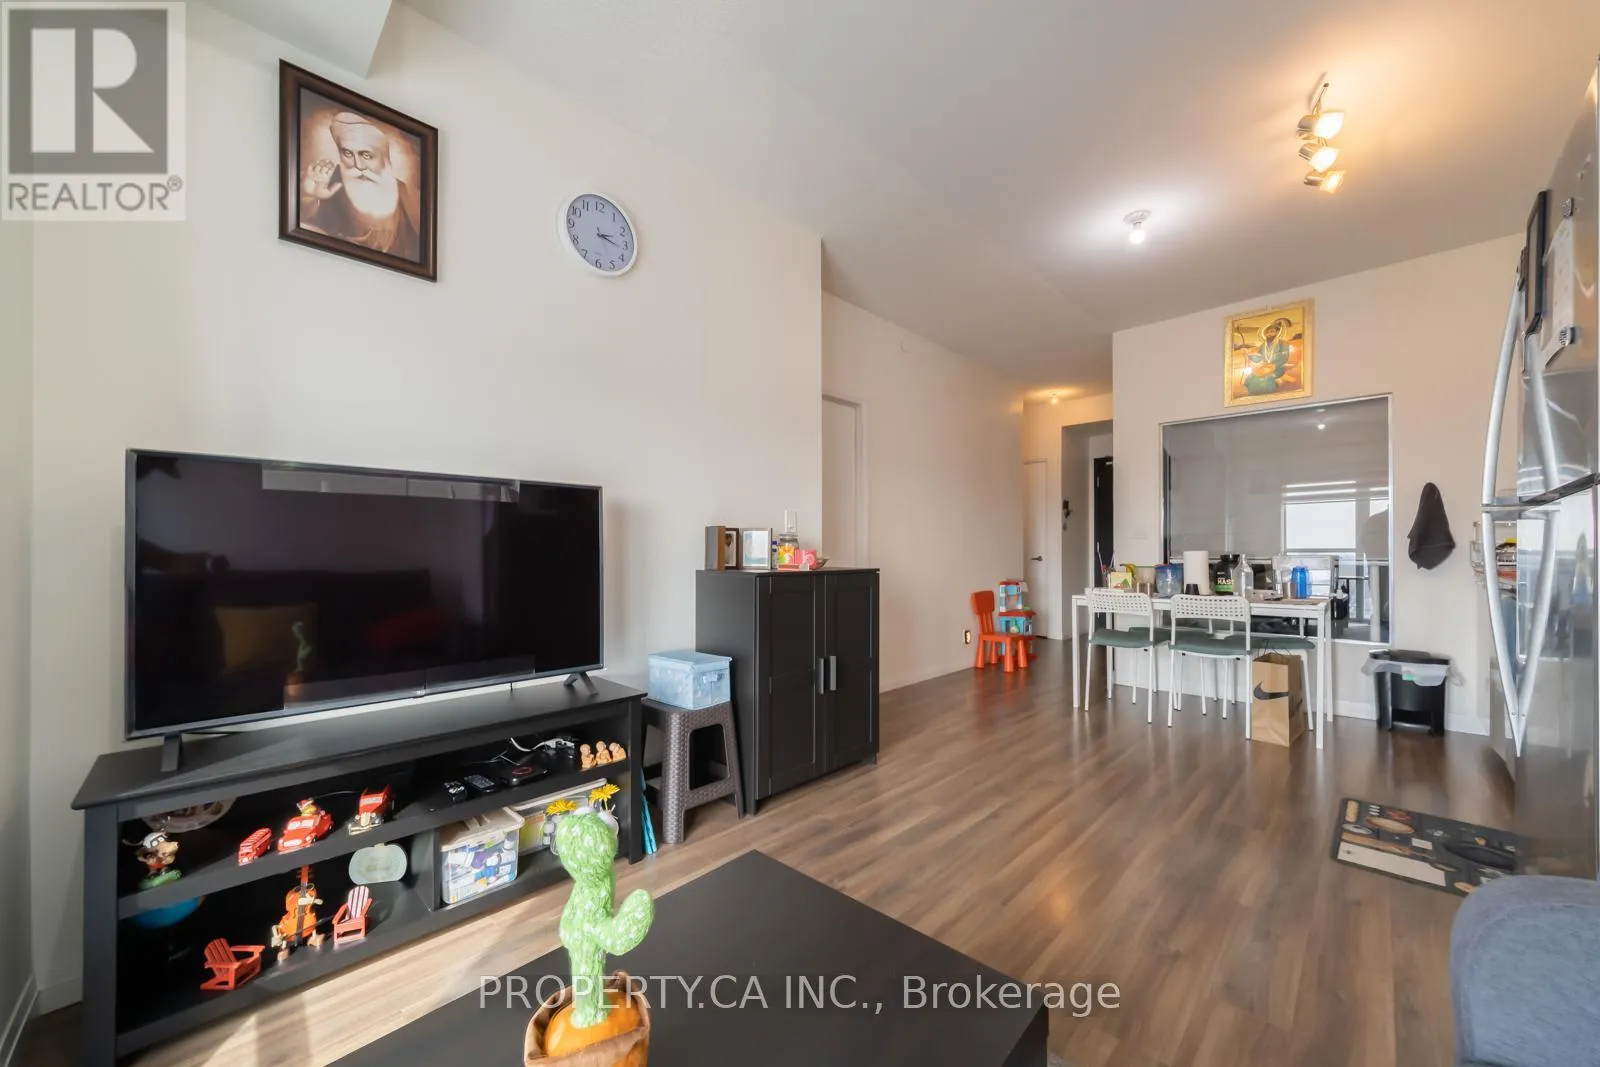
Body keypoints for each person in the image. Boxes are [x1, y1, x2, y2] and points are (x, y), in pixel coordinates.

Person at [300, 111, 420, 260]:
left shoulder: (405, 192)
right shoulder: (331, 179)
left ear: (384, 159)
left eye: (366, 155)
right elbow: (307, 223)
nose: (358, 165)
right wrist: (312, 197)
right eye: (348, 154)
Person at [1241, 317, 1295, 395]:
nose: (1269, 334)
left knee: (1268, 378)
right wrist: (1247, 355)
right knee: (1249, 380)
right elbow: (1259, 358)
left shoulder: (1283, 343)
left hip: (1277, 368)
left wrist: (1273, 366)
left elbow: (1284, 358)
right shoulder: (1262, 346)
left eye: (1272, 331)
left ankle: (1277, 384)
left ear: (1277, 332)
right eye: (1267, 332)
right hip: (1264, 368)